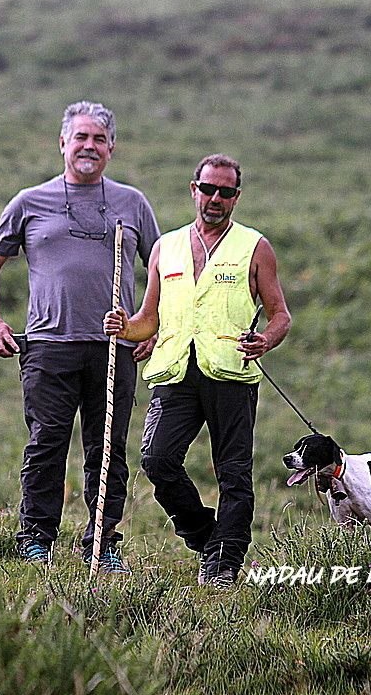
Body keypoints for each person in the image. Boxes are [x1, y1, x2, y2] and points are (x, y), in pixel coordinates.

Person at [0, 101, 160, 572]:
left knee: (108, 448)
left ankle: (103, 541)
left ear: (111, 149)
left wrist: (151, 325)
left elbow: (163, 270)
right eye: (80, 137)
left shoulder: (131, 203)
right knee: (46, 443)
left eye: (98, 139)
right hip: (48, 346)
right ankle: (35, 538)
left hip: (114, 349)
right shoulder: (30, 201)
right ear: (62, 143)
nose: (89, 147)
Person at [103, 154, 291, 587]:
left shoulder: (255, 247)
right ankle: (206, 536)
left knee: (234, 472)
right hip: (175, 371)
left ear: (236, 198)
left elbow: (280, 315)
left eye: (225, 192)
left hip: (231, 372)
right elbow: (149, 318)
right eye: (208, 189)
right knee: (157, 459)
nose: (215, 198)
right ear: (194, 190)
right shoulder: (165, 247)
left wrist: (266, 339)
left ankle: (224, 563)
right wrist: (126, 326)